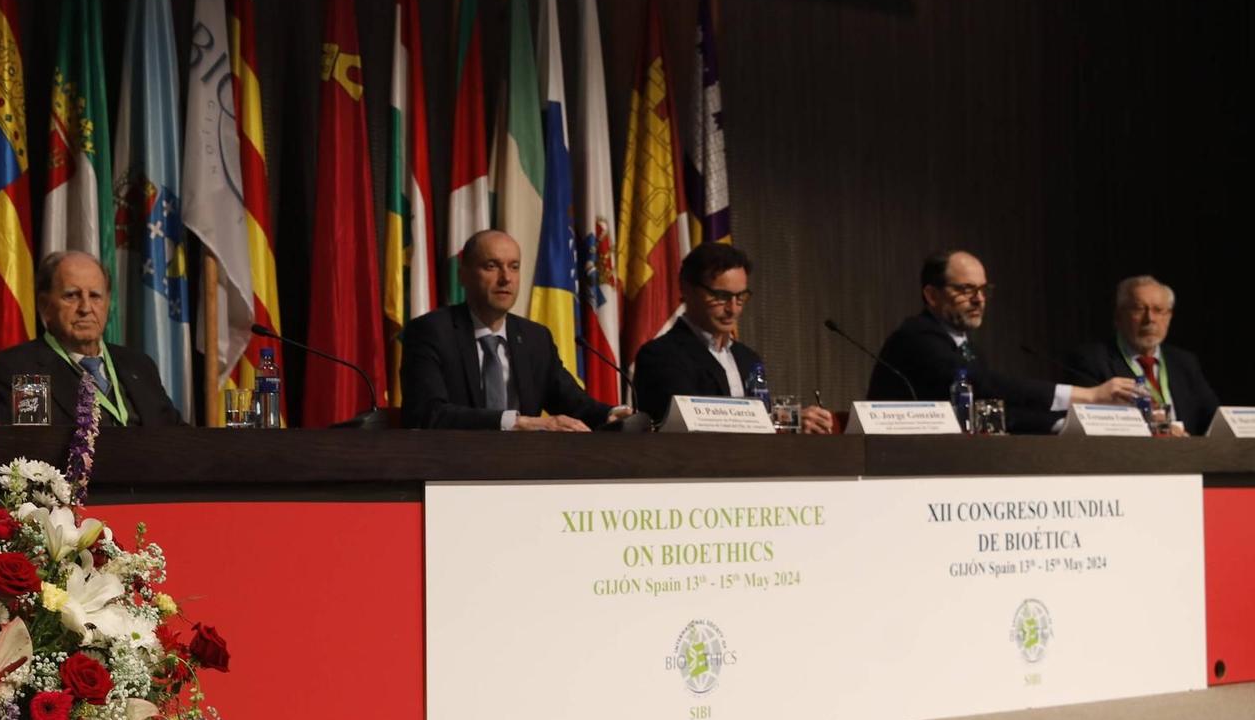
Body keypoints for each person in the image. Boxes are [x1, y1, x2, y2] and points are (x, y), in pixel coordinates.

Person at [869, 250, 1134, 433]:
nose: (979, 299)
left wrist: (1065, 425)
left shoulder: (969, 349)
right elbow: (985, 385)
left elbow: (995, 412)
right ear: (931, 295)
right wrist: (1087, 395)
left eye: (983, 290)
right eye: (965, 289)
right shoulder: (917, 338)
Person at [400, 229, 619, 431]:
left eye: (514, 267)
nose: (506, 278)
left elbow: (574, 404)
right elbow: (427, 414)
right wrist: (517, 423)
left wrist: (611, 414)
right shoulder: (430, 332)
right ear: (463, 275)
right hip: (452, 466)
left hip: (525, 467)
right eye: (492, 266)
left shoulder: (536, 338)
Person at [631, 243, 836, 433]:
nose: (733, 309)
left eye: (741, 297)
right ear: (687, 290)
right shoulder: (661, 356)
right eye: (721, 296)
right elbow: (693, 424)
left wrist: (794, 422)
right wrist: (784, 420)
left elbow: (762, 426)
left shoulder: (748, 359)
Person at [0, 250, 184, 427]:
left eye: (95, 296)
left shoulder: (139, 366)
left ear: (108, 303)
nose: (86, 308)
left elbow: (178, 438)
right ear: (45, 305)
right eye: (72, 295)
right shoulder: (15, 369)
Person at [1062, 276, 1219, 435]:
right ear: (1118, 316)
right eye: (1138, 309)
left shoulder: (1184, 362)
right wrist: (1156, 430)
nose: (1149, 319)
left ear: (1169, 317)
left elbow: (1213, 419)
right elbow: (1090, 424)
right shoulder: (1091, 360)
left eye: (1158, 310)